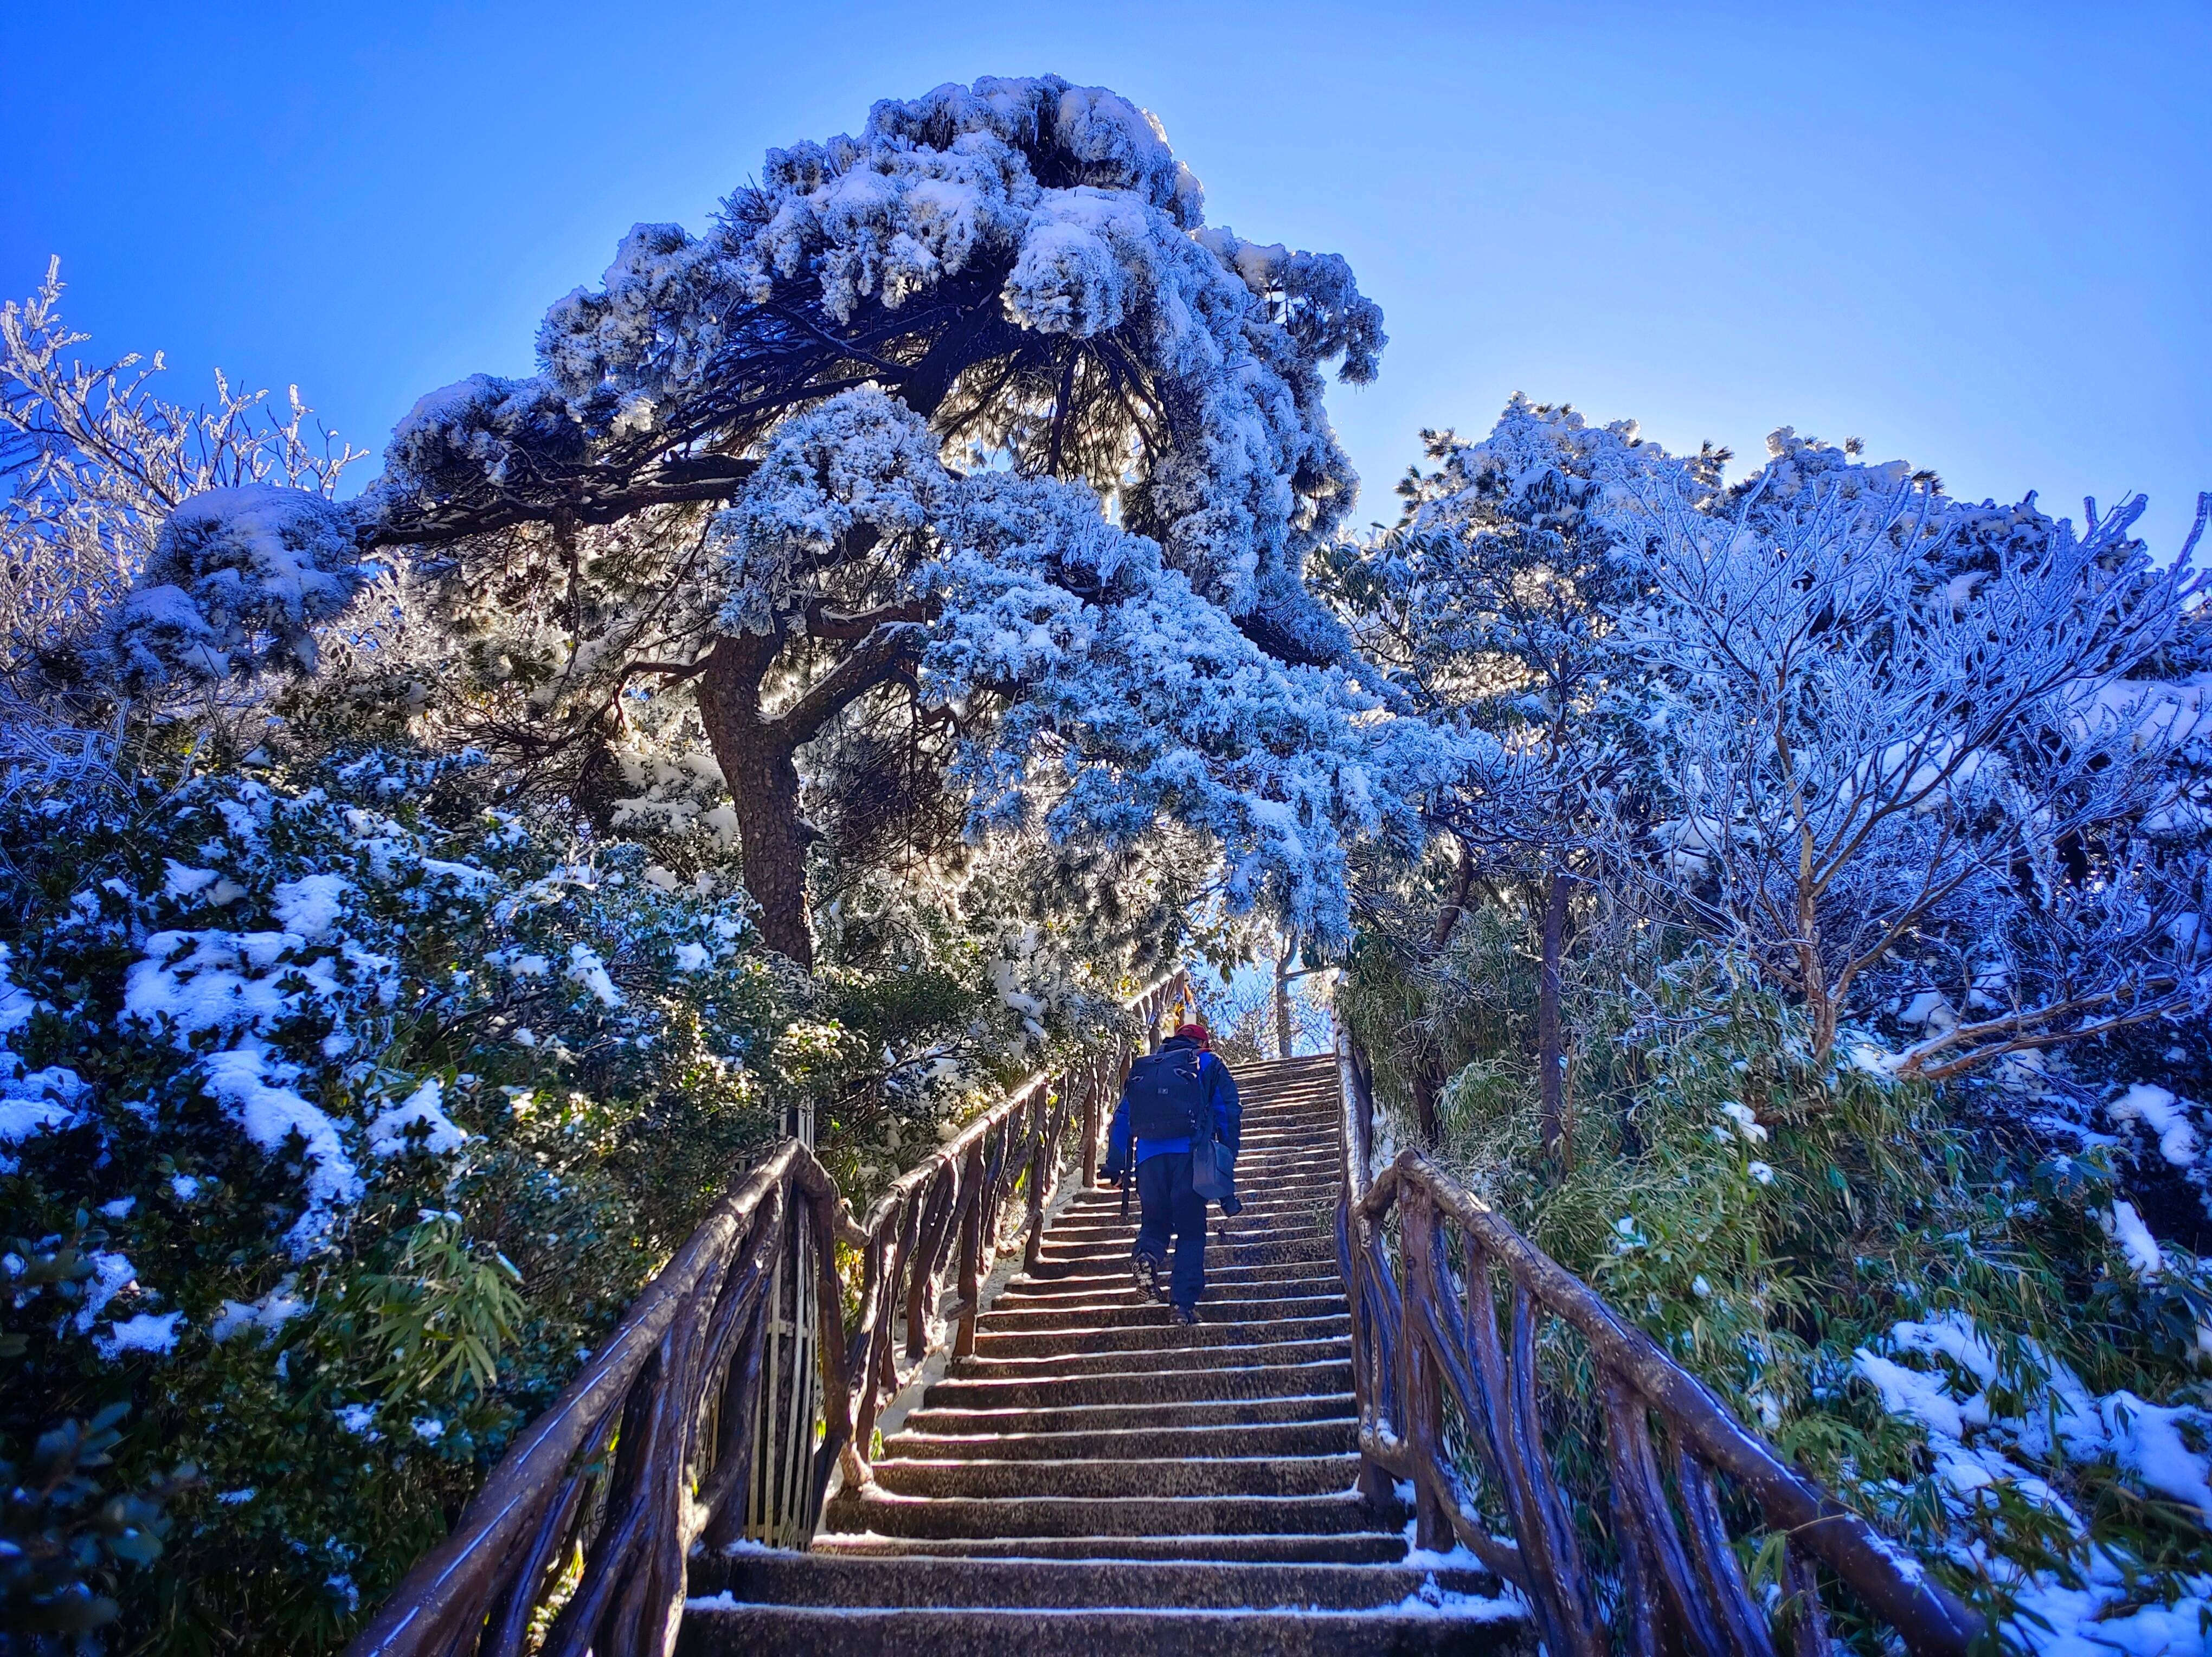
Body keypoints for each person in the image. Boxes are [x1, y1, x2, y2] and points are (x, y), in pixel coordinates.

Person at [1103, 1020, 1242, 1325]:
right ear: (1205, 1045)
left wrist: (1116, 1166)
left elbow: (1122, 1118)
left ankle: (1147, 1257)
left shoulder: (1148, 1068)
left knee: (1155, 1222)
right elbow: (1228, 1111)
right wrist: (1228, 1154)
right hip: (1190, 1158)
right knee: (1191, 1231)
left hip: (1148, 1161)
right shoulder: (1209, 1064)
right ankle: (1182, 1305)